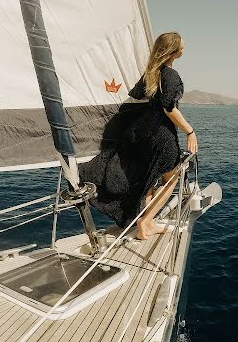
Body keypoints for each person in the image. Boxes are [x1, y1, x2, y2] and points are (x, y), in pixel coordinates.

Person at [79, 31, 198, 240]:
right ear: (174, 51)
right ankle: (145, 222)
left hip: (142, 132)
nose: (184, 48)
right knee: (173, 179)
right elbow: (169, 108)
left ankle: (147, 222)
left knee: (149, 178)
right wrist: (190, 131)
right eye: (182, 45)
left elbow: (137, 94)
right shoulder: (170, 74)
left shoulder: (151, 73)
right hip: (161, 134)